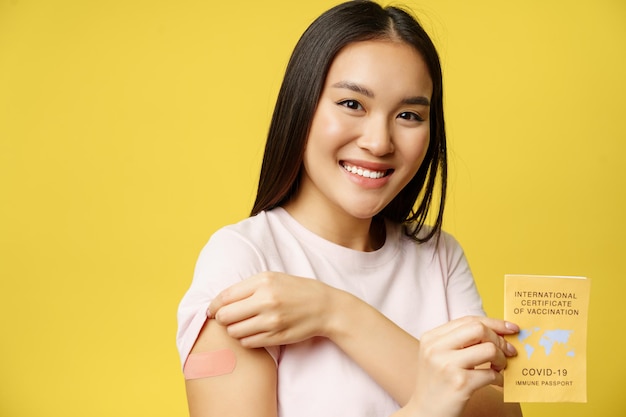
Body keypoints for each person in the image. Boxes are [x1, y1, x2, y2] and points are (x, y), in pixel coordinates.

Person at [177, 1, 523, 416]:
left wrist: (339, 313)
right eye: (352, 104)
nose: (379, 143)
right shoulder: (243, 260)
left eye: (409, 115)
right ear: (301, 107)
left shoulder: (439, 255)